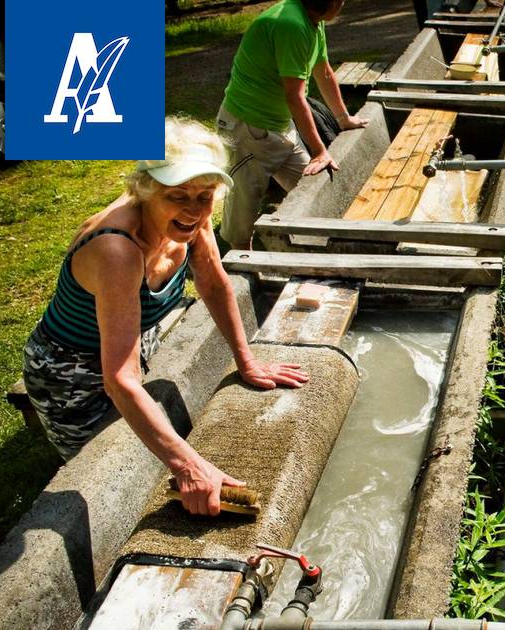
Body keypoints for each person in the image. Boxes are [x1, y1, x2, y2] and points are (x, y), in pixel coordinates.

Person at [23, 117, 310, 516]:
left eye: (205, 195)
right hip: (68, 372)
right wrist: (187, 464)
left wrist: (246, 360)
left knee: (142, 438)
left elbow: (212, 283)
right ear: (145, 190)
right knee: (104, 469)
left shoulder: (193, 215)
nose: (193, 209)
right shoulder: (117, 250)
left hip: (132, 338)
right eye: (178, 196)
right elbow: (119, 378)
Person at [216, 0, 367, 250]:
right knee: (244, 214)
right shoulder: (291, 25)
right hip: (247, 129)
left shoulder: (312, 21)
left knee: (312, 188)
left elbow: (324, 72)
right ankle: (245, 272)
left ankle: (314, 252)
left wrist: (344, 118)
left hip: (280, 127)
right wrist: (320, 151)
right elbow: (295, 96)